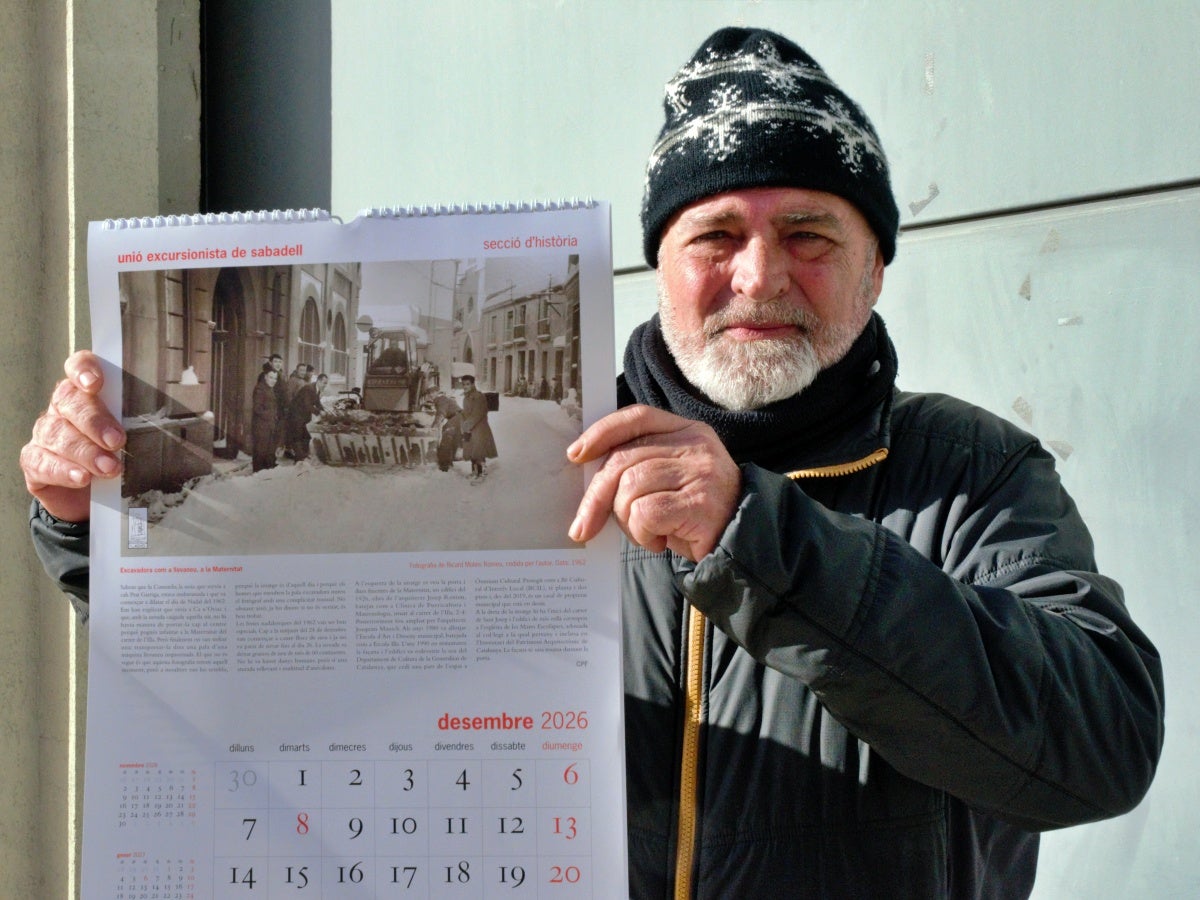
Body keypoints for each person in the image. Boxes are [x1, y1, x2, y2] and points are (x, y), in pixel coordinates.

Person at [20, 27, 1164, 899]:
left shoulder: (968, 468)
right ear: (661, 267)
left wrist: (759, 539)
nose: (760, 276)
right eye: (715, 235)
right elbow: (299, 641)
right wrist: (94, 517)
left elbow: (1098, 745)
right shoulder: (567, 453)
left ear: (875, 269)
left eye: (811, 235)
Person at [458, 374, 497, 480]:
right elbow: (466, 412)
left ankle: (482, 473)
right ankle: (475, 472)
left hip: (479, 428)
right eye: (463, 384)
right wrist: (462, 419)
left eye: (467, 384)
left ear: (473, 384)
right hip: (469, 427)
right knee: (471, 450)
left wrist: (467, 425)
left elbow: (478, 414)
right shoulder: (466, 397)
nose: (465, 386)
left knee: (479, 451)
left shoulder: (479, 396)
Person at [286, 372, 327, 462]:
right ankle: (300, 459)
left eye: (326, 383)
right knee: (298, 437)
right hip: (296, 415)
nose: (325, 385)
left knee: (306, 437)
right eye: (324, 383)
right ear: (319, 381)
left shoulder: (316, 389)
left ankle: (303, 456)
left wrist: (324, 410)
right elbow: (307, 404)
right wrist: (319, 412)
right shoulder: (309, 388)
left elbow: (317, 402)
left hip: (302, 416)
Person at [250, 369, 279, 472]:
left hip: (269, 425)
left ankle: (266, 472)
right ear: (265, 377)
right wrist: (271, 415)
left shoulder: (269, 389)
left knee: (269, 450)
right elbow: (257, 408)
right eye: (271, 377)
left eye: (275, 378)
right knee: (260, 451)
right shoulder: (260, 389)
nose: (273, 380)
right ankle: (258, 473)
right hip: (261, 426)